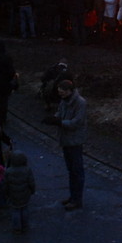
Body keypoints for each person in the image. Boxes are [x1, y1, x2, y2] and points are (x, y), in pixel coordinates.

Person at [42, 79, 86, 211]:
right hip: (66, 140)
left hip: (74, 141)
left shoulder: (80, 103)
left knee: (77, 171)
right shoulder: (64, 100)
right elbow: (60, 113)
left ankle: (77, 199)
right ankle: (73, 197)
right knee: (71, 170)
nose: (60, 95)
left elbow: (76, 123)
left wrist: (59, 122)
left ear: (69, 91)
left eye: (62, 92)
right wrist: (55, 119)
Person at [4, 150, 36, 234]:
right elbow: (31, 182)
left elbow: (5, 184)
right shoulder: (27, 170)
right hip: (25, 194)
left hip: (13, 195)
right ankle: (25, 225)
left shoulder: (8, 171)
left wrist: (6, 194)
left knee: (15, 211)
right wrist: (32, 190)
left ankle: (17, 228)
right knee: (24, 209)